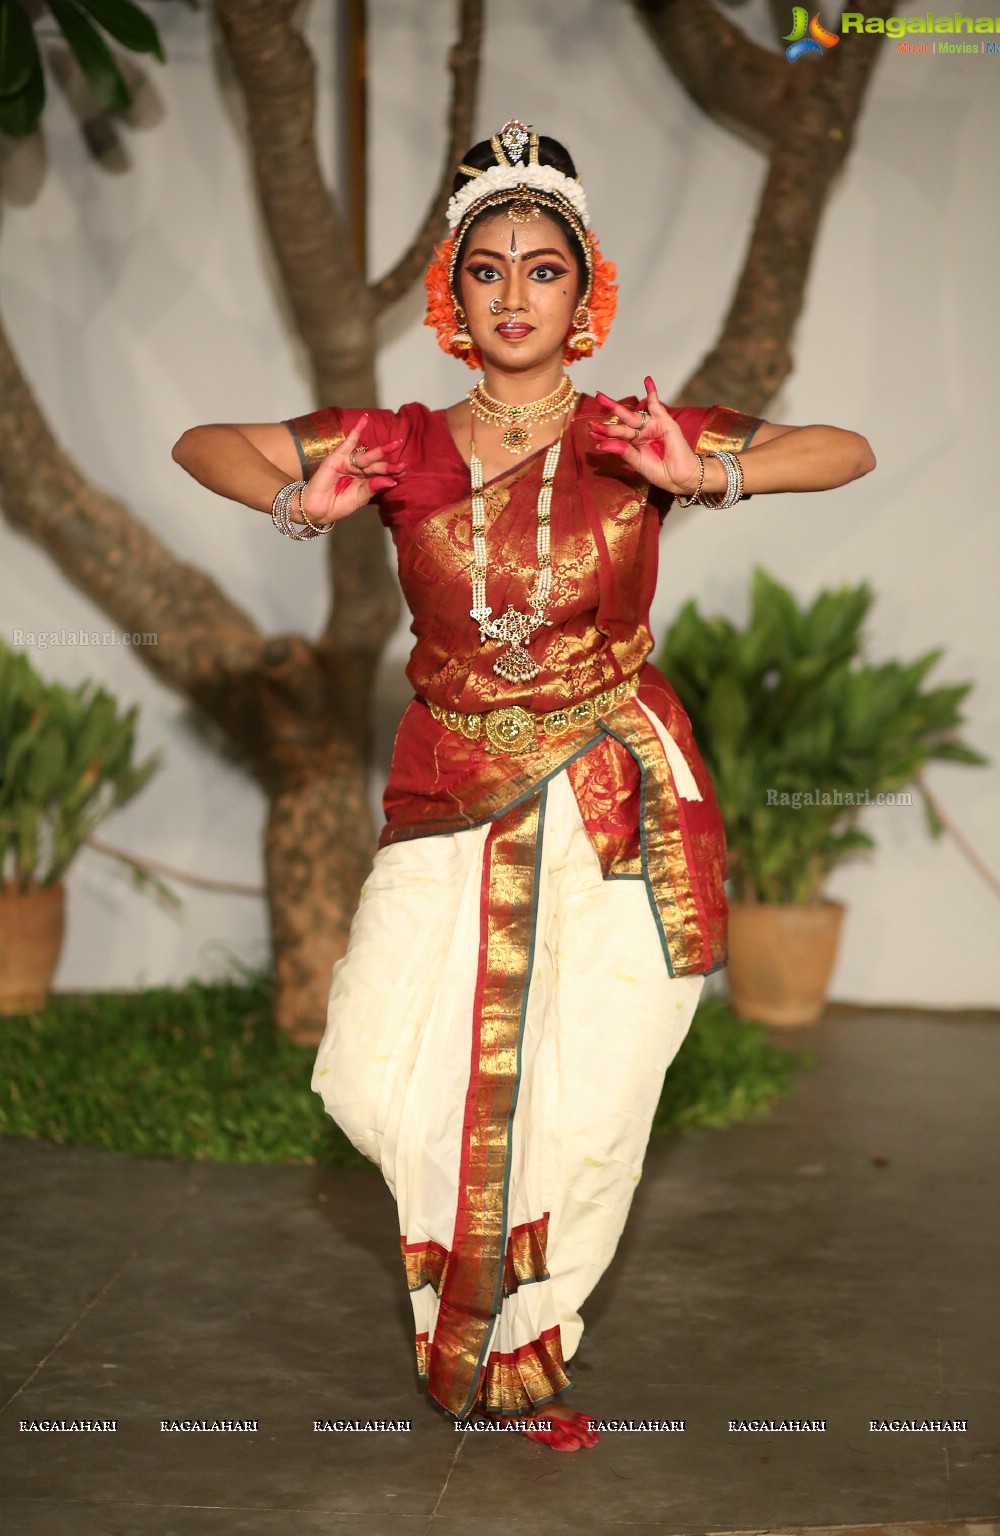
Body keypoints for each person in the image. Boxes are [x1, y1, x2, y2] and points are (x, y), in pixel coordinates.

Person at [172, 122, 875, 1452]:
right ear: (453, 293)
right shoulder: (397, 441)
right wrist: (298, 501)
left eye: (541, 269)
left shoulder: (632, 435)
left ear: (583, 290)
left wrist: (707, 471)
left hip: (615, 792)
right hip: (452, 788)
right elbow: (205, 442)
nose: (512, 294)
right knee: (378, 1070)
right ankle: (474, 1291)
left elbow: (842, 450)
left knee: (595, 1078)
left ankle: (522, 1331)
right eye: (485, 269)